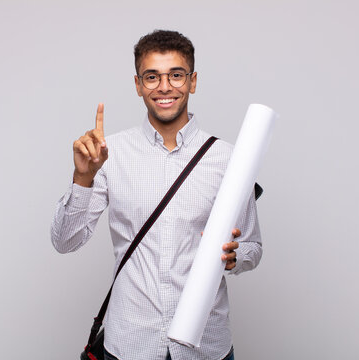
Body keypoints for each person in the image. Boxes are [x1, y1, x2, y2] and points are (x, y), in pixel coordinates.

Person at [51, 30, 262, 360]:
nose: (165, 87)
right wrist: (82, 177)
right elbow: (65, 241)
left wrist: (236, 256)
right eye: (152, 77)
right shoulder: (110, 154)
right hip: (131, 344)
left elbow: (252, 246)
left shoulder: (228, 158)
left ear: (192, 82)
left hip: (206, 345)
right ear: (138, 85)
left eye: (176, 75)